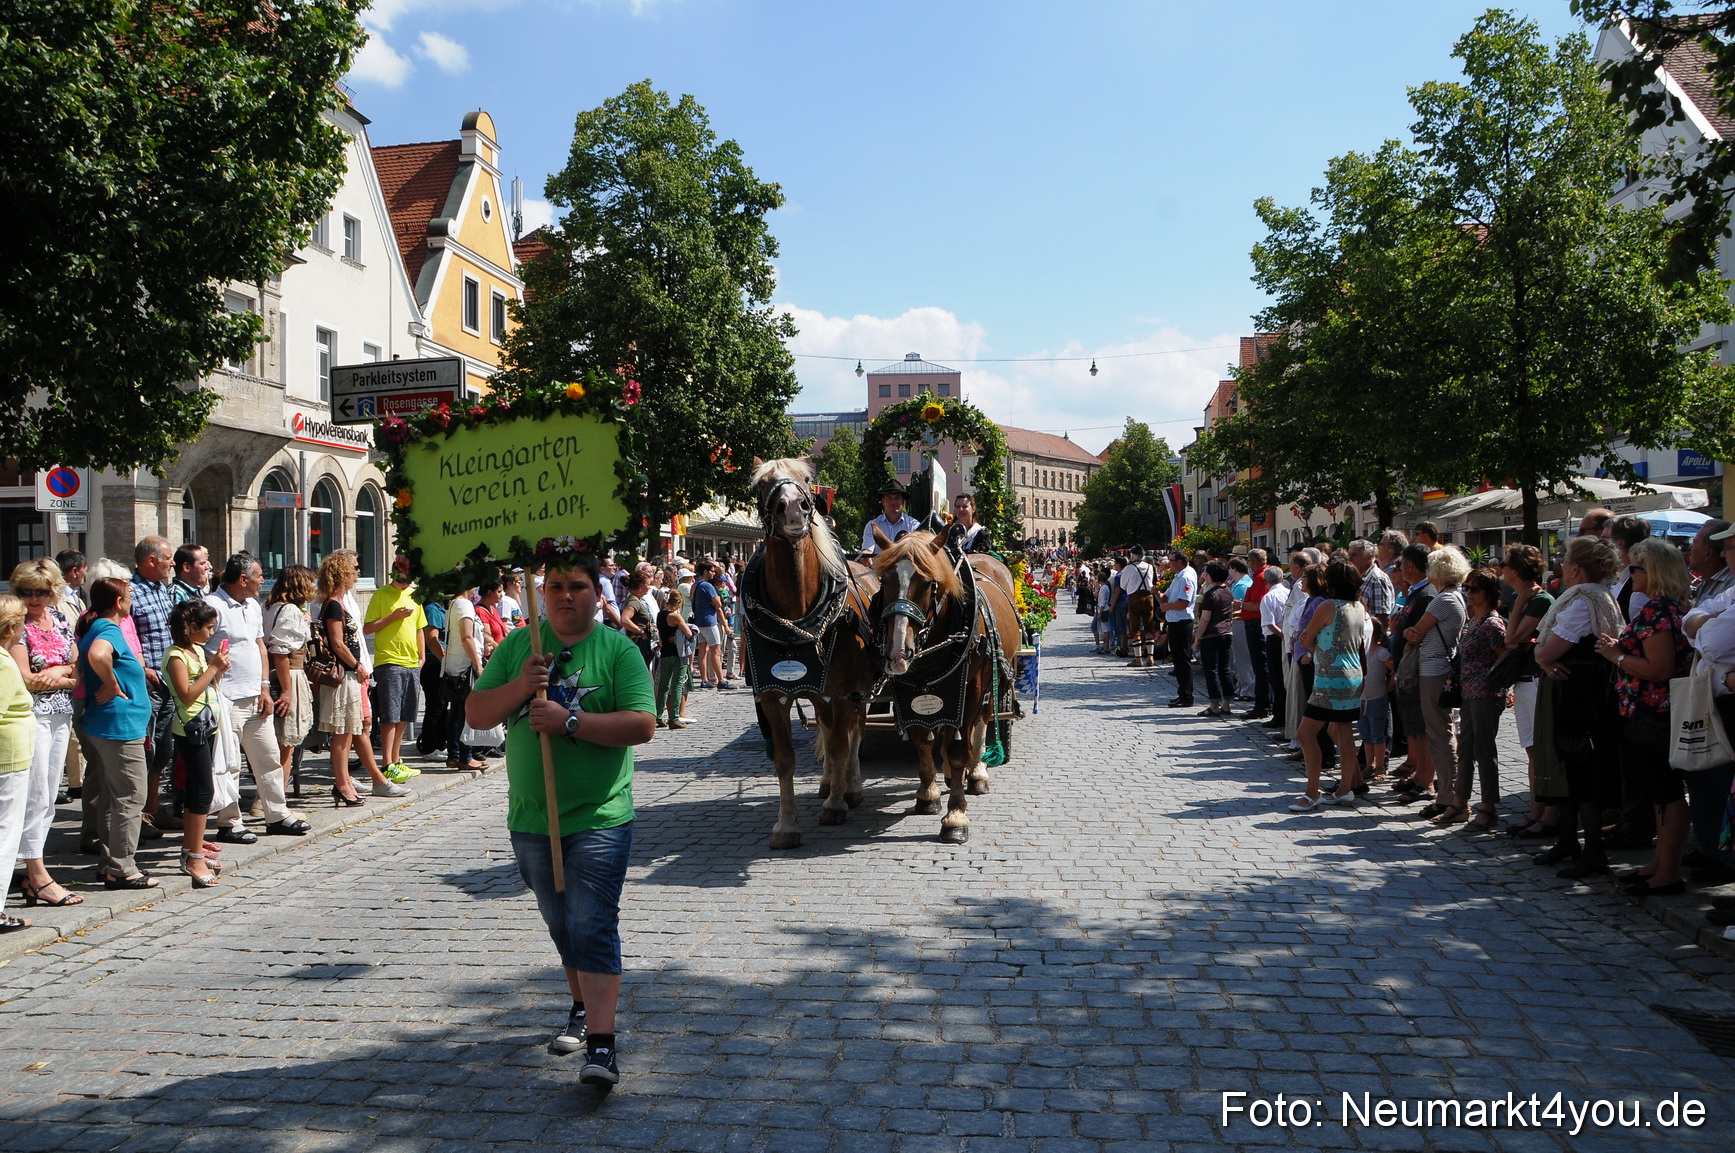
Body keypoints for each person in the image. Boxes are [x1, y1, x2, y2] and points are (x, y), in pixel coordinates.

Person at [465, 559, 656, 1087]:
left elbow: (643, 724)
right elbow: (478, 714)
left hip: (600, 817)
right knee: (562, 924)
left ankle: (602, 1046)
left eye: (578, 587)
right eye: (555, 587)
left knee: (592, 925)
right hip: (531, 818)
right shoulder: (520, 646)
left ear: (598, 593)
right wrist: (523, 688)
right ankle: (579, 1005)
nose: (566, 596)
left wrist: (572, 721)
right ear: (542, 593)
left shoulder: (618, 650)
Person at [1595, 537, 1694, 895]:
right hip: (1651, 713)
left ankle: (1668, 872)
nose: (1630, 573)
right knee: (1659, 793)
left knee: (1667, 793)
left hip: (1656, 714)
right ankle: (1660, 864)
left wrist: (1616, 655)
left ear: (1652, 572)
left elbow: (1660, 667)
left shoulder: (1657, 611)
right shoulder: (1666, 608)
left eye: (1635, 567)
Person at [1532, 536, 1624, 880]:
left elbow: (1547, 651)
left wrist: (1542, 659)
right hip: (1576, 688)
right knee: (1567, 765)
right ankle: (1568, 841)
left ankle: (1593, 852)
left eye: (1566, 561)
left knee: (1582, 767)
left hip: (1580, 693)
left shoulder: (1585, 601)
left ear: (1576, 568)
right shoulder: (1593, 597)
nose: (1562, 567)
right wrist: (1543, 659)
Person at [7, 560, 83, 908]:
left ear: (53, 590)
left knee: (50, 792)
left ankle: (33, 869)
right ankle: (36, 874)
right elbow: (26, 678)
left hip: (60, 712)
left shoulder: (61, 620)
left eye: (41, 591)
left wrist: (60, 672)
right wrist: (63, 675)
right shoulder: (15, 627)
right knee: (34, 795)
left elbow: (76, 664)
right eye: (26, 592)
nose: (34, 598)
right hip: (32, 715)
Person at [78, 576, 156, 889]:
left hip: (110, 724)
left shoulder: (98, 625)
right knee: (131, 796)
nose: (131, 601)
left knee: (114, 797)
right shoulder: (107, 628)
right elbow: (98, 656)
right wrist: (111, 685)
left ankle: (110, 864)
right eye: (128, 596)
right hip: (119, 726)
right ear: (118, 602)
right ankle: (123, 868)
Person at [202, 552, 278, 844]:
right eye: (259, 576)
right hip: (227, 696)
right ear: (243, 579)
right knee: (230, 762)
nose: (262, 580)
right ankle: (230, 821)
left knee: (267, 756)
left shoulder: (253, 605)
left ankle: (277, 814)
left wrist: (264, 686)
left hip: (254, 694)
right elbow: (202, 647)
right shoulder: (213, 605)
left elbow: (260, 646)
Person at [315, 553, 402, 804]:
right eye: (352, 570)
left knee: (348, 730)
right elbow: (338, 643)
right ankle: (342, 785)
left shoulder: (341, 603)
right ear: (341, 573)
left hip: (352, 675)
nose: (356, 574)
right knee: (342, 733)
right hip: (344, 676)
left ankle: (344, 785)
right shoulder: (332, 604)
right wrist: (357, 665)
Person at [1288, 560, 1367, 811]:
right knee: (1343, 732)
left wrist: (1315, 649)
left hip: (1329, 676)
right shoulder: (1358, 606)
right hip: (1353, 675)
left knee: (1306, 733)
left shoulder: (1328, 606)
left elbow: (1308, 638)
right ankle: (1345, 788)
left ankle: (1312, 791)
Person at [163, 600, 228, 887]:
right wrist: (213, 668)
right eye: (208, 626)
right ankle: (193, 857)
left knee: (196, 790)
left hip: (207, 724)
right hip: (191, 729)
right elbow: (187, 694)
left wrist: (218, 668)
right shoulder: (176, 656)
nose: (212, 631)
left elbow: (209, 684)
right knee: (202, 791)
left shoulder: (197, 651)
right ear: (191, 627)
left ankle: (192, 849)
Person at [1403, 546, 1469, 824]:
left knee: (1439, 735)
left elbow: (1416, 632)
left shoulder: (1442, 600)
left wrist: (1407, 631)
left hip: (1433, 670)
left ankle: (1448, 796)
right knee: (1442, 732)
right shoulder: (1455, 597)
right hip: (1440, 667)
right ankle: (1449, 793)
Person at [1500, 545, 1557, 839]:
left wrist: (1519, 604)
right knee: (1531, 751)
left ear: (1518, 570)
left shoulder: (1539, 600)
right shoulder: (1520, 598)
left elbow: (1511, 639)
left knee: (1541, 750)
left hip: (1536, 680)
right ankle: (1535, 811)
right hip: (1523, 681)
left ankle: (1547, 814)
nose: (1501, 568)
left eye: (1506, 563)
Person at [364, 556, 427, 784]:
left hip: (412, 662)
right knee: (390, 715)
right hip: (389, 660)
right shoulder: (381, 595)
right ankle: (386, 764)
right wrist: (393, 617)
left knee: (405, 715)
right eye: (402, 579)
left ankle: (397, 760)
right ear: (394, 574)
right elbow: (368, 627)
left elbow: (420, 628)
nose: (405, 583)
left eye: (409, 579)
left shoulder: (415, 595)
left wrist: (422, 656)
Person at [263, 566, 316, 835]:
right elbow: (280, 651)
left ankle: (273, 801)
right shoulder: (290, 611)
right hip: (289, 676)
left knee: (283, 744)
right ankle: (276, 804)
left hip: (287, 675)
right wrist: (287, 690)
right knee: (286, 745)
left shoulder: (273, 607)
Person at [1454, 568, 1509, 833]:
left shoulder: (1492, 623)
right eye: (1467, 587)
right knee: (1465, 748)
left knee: (1484, 751)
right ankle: (1459, 800)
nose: (1468, 593)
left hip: (1487, 693)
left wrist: (1503, 688)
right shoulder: (1474, 620)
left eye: (1474, 589)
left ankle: (1488, 807)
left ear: (1488, 592)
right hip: (1468, 692)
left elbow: (1503, 657)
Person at [129, 537, 177, 837]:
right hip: (147, 684)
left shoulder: (163, 590)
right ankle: (137, 817)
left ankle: (153, 807)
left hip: (169, 682)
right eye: (168, 558)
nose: (172, 563)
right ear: (150, 561)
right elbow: (125, 637)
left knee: (162, 750)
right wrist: (144, 669)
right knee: (144, 751)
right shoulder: (130, 593)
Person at [0, 594, 37, 932]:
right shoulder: (2, 661)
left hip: (12, 755)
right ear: (11, 628)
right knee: (6, 833)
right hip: (8, 758)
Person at [441, 586, 486, 771]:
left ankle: (454, 754)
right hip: (464, 665)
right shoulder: (465, 605)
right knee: (465, 712)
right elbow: (466, 636)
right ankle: (465, 756)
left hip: (453, 664)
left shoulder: (453, 604)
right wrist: (478, 664)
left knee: (456, 711)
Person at [1194, 562, 1237, 717]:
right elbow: (1231, 613)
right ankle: (1227, 703)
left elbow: (1205, 619)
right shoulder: (1228, 592)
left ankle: (1214, 704)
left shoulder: (1211, 594)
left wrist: (1197, 639)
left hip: (1212, 634)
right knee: (1225, 668)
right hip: (1226, 633)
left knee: (1211, 670)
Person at [1158, 551, 1197, 706]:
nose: (1169, 564)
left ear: (1179, 562)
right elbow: (1165, 598)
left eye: (1172, 561)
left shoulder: (1186, 576)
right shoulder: (1178, 576)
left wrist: (1167, 606)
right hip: (1174, 621)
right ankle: (1182, 693)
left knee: (1182, 660)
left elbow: (1183, 603)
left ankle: (1187, 696)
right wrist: (1157, 594)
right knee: (1178, 660)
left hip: (1182, 621)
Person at [654, 588, 695, 728]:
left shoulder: (660, 615)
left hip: (665, 653)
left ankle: (659, 716)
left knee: (663, 686)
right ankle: (674, 718)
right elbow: (689, 633)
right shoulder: (675, 617)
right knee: (677, 685)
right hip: (678, 654)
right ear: (677, 602)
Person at [1235, 550, 1269, 717]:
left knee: (1260, 667)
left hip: (1256, 625)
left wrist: (1241, 605)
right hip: (1254, 624)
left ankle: (1262, 706)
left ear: (1253, 562)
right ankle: (1263, 703)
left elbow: (1258, 605)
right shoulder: (1260, 576)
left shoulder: (1261, 577)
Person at [1360, 620, 1394, 782]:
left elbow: (1394, 670)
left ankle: (1380, 766)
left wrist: (1387, 687)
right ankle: (1369, 765)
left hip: (1377, 698)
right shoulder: (1363, 652)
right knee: (1366, 735)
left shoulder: (1381, 653)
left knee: (1378, 735)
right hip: (1363, 699)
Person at [1257, 565, 1290, 726]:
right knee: (1284, 677)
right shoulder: (1288, 593)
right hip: (1286, 637)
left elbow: (1270, 624)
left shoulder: (1268, 597)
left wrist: (1283, 637)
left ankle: (1279, 715)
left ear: (1265, 581)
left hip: (1275, 639)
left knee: (1277, 678)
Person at [690, 561, 730, 690]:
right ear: (706, 571)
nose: (713, 573)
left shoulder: (695, 584)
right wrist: (726, 626)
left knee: (702, 650)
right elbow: (718, 605)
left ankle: (704, 679)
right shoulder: (707, 586)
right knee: (716, 650)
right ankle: (721, 680)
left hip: (698, 620)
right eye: (712, 571)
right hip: (709, 621)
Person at [1119, 547, 1160, 669]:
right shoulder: (1150, 567)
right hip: (1148, 597)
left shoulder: (1128, 568)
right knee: (1149, 626)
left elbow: (1123, 585)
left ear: (1132, 556)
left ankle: (1138, 659)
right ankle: (1150, 657)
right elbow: (1154, 582)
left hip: (1135, 598)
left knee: (1135, 628)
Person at [859, 479, 920, 555]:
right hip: (879, 567)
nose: (893, 502)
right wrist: (865, 554)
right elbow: (867, 550)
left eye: (897, 498)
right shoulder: (872, 526)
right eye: (889, 498)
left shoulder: (914, 526)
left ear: (903, 502)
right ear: (883, 502)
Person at [1689, 519, 1732, 609]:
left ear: (1708, 553)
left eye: (1694, 543)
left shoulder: (1731, 585)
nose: (1690, 548)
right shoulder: (1705, 582)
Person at [621, 572, 657, 667]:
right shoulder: (633, 601)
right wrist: (640, 631)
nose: (649, 588)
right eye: (648, 584)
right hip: (638, 642)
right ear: (641, 585)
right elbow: (624, 620)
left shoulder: (637, 599)